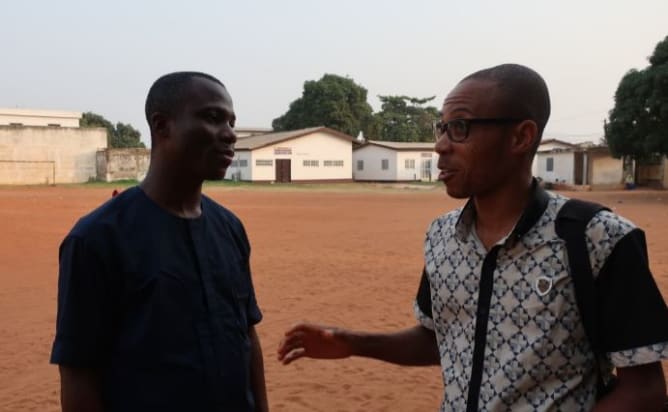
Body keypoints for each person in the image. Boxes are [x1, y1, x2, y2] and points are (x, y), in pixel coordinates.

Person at [278, 64, 668, 411]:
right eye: (442, 127)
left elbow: (645, 389)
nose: (441, 145)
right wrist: (351, 343)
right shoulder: (442, 236)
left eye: (460, 128)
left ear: (521, 137)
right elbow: (440, 339)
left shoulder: (598, 239)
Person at [51, 72, 268, 412]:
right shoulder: (97, 239)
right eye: (213, 118)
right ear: (162, 125)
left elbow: (247, 337)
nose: (230, 134)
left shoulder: (230, 228)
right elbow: (79, 372)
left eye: (231, 121)